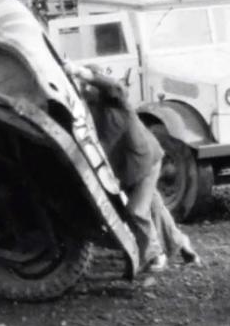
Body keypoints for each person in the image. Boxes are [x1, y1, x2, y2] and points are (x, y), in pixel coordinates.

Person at [64, 62, 201, 272]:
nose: (82, 88)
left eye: (86, 84)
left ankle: (155, 255)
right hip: (130, 168)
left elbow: (115, 88)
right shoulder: (86, 108)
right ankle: (182, 244)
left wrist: (83, 73)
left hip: (144, 163)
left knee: (136, 211)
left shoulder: (115, 101)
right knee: (155, 208)